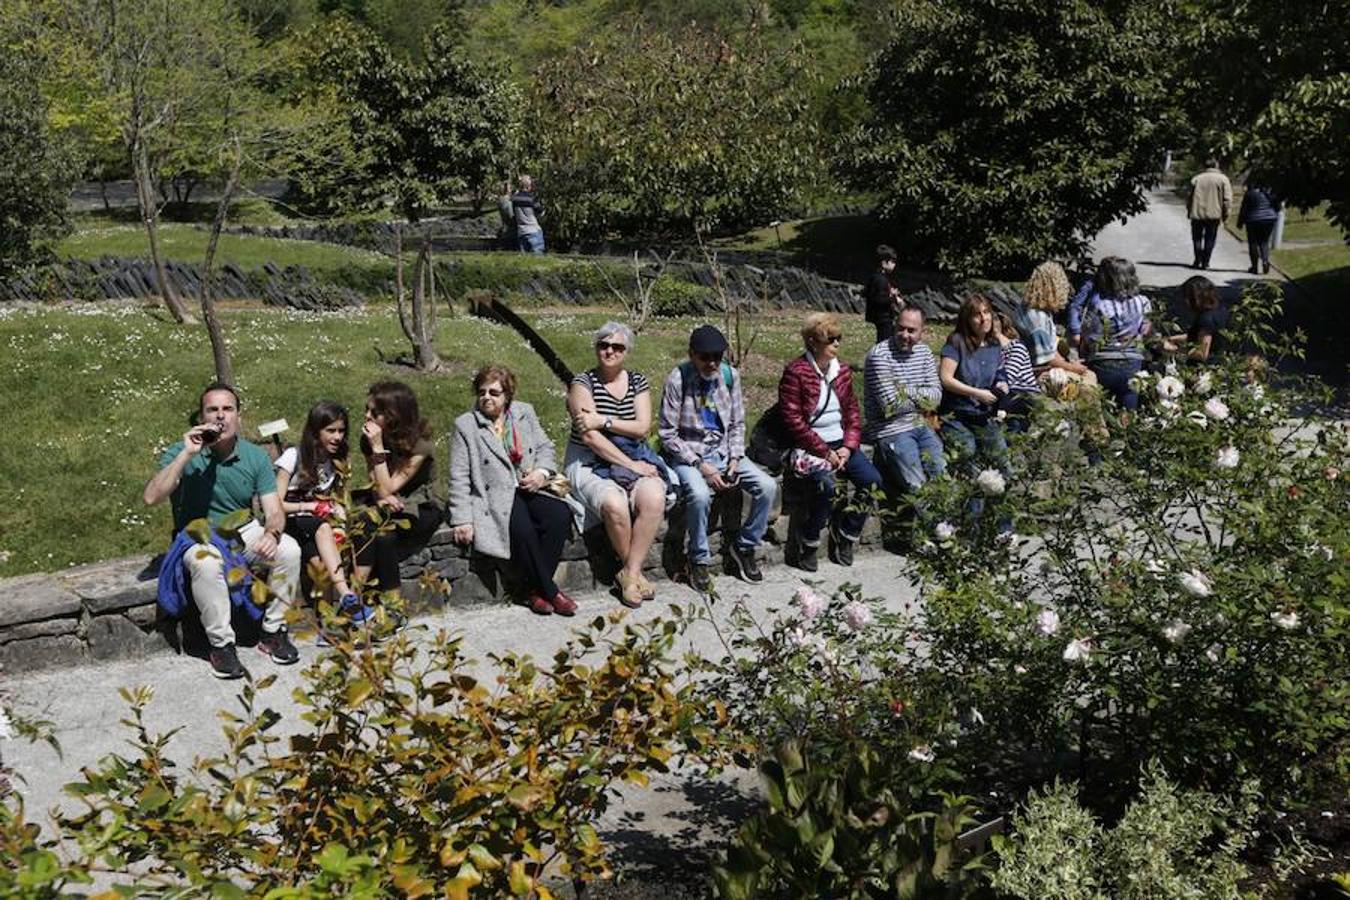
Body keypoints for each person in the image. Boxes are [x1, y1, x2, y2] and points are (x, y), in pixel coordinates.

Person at [145, 383, 300, 679]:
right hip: (198, 535)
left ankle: (273, 632)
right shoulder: (181, 452)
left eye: (227, 409)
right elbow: (151, 497)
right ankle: (221, 646)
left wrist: (272, 534)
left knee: (289, 550)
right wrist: (186, 454)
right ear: (201, 417)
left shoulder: (254, 456)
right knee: (207, 563)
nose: (220, 416)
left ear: (238, 416)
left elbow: (274, 511)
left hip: (243, 531)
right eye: (212, 410)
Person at [448, 365, 580, 616]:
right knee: (522, 530)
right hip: (495, 497)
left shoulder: (524, 412)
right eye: (482, 392)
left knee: (559, 515)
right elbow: (459, 476)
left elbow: (545, 448)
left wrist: (541, 473)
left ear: (507, 395)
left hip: (530, 486)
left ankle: (531, 591)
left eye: (494, 393)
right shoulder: (466, 426)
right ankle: (551, 592)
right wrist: (462, 518)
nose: (486, 397)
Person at [658, 325, 778, 591]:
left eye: (717, 357)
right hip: (689, 455)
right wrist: (702, 467)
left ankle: (744, 546)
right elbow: (668, 434)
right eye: (705, 357)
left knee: (768, 487)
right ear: (692, 354)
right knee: (700, 495)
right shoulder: (677, 380)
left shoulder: (729, 376)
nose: (712, 363)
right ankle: (698, 559)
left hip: (723, 451)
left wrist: (735, 458)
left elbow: (737, 423)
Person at [565, 322, 668, 608]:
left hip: (633, 453)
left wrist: (604, 420)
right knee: (614, 503)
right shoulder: (582, 384)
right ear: (596, 348)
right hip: (589, 459)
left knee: (654, 496)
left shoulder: (637, 382)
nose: (610, 351)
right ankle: (634, 575)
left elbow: (643, 428)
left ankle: (629, 574)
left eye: (617, 347)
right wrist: (631, 464)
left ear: (627, 351)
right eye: (604, 345)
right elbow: (590, 437)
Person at [779, 312, 883, 571]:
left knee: (872, 481)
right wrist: (825, 452)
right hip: (810, 446)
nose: (836, 344)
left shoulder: (842, 371)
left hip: (840, 443)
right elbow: (793, 421)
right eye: (830, 339)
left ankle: (847, 533)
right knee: (826, 486)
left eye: (839, 338)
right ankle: (809, 541)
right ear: (813, 342)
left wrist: (848, 446)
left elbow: (853, 413)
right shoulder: (796, 372)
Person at [355, 382, 443, 618]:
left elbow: (388, 488)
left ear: (394, 416)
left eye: (375, 413)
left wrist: (377, 448)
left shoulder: (420, 444)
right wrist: (380, 499)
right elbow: (378, 486)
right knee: (373, 528)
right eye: (367, 409)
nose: (367, 416)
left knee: (381, 531)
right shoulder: (369, 439)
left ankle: (382, 605)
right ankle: (362, 600)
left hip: (421, 505)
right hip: (388, 503)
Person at [274, 401, 358, 606]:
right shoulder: (293, 457)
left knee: (321, 567)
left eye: (341, 431)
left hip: (315, 525)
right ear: (315, 431)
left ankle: (327, 621)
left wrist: (338, 511)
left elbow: (337, 497)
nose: (337, 437)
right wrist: (308, 507)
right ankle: (345, 593)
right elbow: (275, 504)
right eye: (331, 431)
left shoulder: (337, 460)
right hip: (290, 521)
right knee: (322, 528)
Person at [864, 306, 946, 494]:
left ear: (922, 331)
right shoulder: (880, 356)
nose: (904, 335)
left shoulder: (924, 353)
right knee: (917, 486)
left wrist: (904, 391)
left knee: (942, 475)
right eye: (900, 328)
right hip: (891, 429)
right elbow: (890, 406)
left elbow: (936, 398)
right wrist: (921, 396)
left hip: (920, 424)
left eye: (911, 330)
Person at [938, 294, 1010, 495]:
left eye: (986, 312)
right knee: (968, 451)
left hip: (983, 414)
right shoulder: (956, 342)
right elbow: (945, 378)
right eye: (977, 315)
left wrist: (1001, 384)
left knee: (1002, 459)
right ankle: (971, 502)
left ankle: (1002, 510)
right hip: (956, 414)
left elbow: (998, 373)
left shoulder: (994, 345)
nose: (984, 318)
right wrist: (977, 393)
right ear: (968, 319)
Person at [1078, 258, 1153, 410]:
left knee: (1103, 408)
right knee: (1129, 409)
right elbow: (1147, 332)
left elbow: (1090, 337)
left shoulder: (1099, 304)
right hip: (1132, 362)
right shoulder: (1143, 302)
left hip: (1103, 362)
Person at [1021, 261, 1097, 389]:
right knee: (1089, 382)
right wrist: (1072, 368)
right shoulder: (1038, 320)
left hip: (1043, 365)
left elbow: (1049, 350)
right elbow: (1048, 360)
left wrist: (1068, 362)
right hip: (1038, 372)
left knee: (1089, 374)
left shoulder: (1032, 308)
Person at [993, 313, 1041, 432]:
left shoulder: (1017, 347)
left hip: (1023, 392)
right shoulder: (991, 352)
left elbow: (1008, 377)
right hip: (1007, 394)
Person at [1163, 275, 1229, 362]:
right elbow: (1206, 336)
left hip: (1205, 366)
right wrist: (1175, 338)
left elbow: (1202, 353)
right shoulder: (1220, 310)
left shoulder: (1205, 319)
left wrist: (1174, 349)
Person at [1187, 158, 1233, 270]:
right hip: (1214, 213)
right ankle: (1206, 261)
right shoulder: (1223, 179)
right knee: (1210, 238)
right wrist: (1226, 214)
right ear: (1216, 165)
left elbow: (1189, 197)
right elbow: (1227, 200)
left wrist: (1189, 210)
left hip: (1197, 213)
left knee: (1197, 238)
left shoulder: (1196, 179)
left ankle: (1198, 259)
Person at [1237, 182, 1281, 275]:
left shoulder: (1250, 194)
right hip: (1269, 219)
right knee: (1264, 242)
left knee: (1253, 243)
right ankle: (1265, 261)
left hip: (1253, 220)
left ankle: (1254, 267)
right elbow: (1277, 207)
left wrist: (1240, 223)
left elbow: (1244, 209)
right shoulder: (1269, 193)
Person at [863, 244, 902, 344]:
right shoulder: (881, 279)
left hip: (881, 316)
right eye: (892, 262)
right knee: (884, 341)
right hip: (883, 317)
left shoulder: (876, 277)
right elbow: (879, 299)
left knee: (885, 338)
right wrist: (893, 298)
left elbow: (867, 292)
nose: (894, 265)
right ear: (884, 263)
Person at [511, 174, 545, 254]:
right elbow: (541, 212)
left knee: (525, 259)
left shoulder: (514, 199)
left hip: (521, 232)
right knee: (538, 258)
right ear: (529, 186)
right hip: (533, 231)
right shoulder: (531, 198)